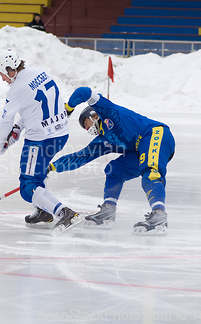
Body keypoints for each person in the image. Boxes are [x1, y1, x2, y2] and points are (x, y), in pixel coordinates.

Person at [47, 87, 175, 234]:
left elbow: (83, 92)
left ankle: (159, 214)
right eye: (84, 128)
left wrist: (68, 108)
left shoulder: (106, 109)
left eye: (86, 123)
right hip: (138, 150)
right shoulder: (103, 140)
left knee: (150, 171)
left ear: (93, 115)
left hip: (155, 134)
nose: (87, 128)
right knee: (114, 170)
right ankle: (108, 210)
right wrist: (51, 167)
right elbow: (80, 157)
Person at [0, 49, 78, 231]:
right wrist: (17, 129)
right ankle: (42, 211)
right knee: (38, 175)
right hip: (60, 134)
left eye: (2, 74)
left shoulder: (15, 90)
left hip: (40, 141)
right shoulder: (40, 73)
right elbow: (34, 107)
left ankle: (63, 212)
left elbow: (5, 119)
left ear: (11, 69)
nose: (2, 79)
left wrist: (0, 144)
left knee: (28, 185)